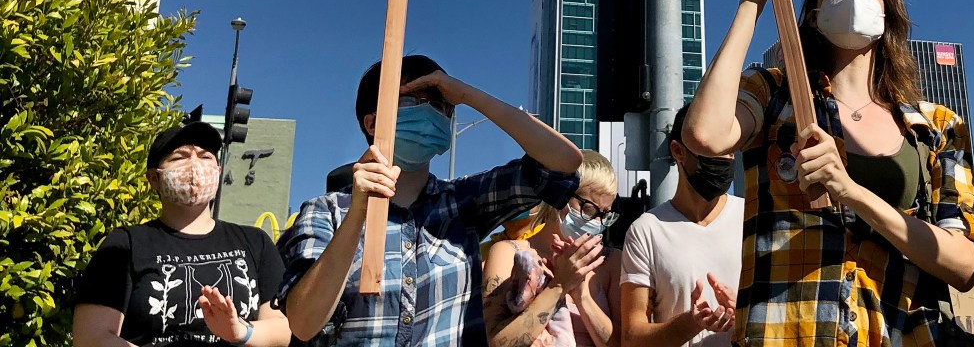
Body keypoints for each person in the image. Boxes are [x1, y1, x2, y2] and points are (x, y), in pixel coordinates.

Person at [684, 0, 974, 347]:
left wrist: (850, 191)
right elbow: (705, 135)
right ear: (811, 12)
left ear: (887, 13)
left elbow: (964, 264)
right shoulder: (773, 92)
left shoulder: (938, 126)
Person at [277, 54, 583, 345]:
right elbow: (304, 323)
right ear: (372, 123)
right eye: (413, 101)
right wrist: (358, 214)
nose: (432, 112)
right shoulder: (326, 212)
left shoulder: (463, 200)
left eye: (441, 105)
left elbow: (563, 162)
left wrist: (466, 95)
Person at [74, 121, 291, 347]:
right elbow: (91, 337)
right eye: (179, 157)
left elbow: (282, 329)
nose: (194, 165)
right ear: (154, 179)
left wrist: (241, 331)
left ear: (218, 172)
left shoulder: (255, 242)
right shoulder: (126, 243)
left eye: (205, 156)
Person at [619, 102, 742, 347]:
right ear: (678, 151)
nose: (723, 156)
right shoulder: (646, 231)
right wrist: (691, 324)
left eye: (729, 149)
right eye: (711, 146)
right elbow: (632, 337)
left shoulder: (752, 216)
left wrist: (743, 315)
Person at [480, 150, 622, 347]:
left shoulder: (611, 262)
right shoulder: (508, 253)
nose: (597, 221)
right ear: (559, 197)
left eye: (605, 214)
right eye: (589, 208)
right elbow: (496, 342)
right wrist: (559, 285)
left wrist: (581, 295)